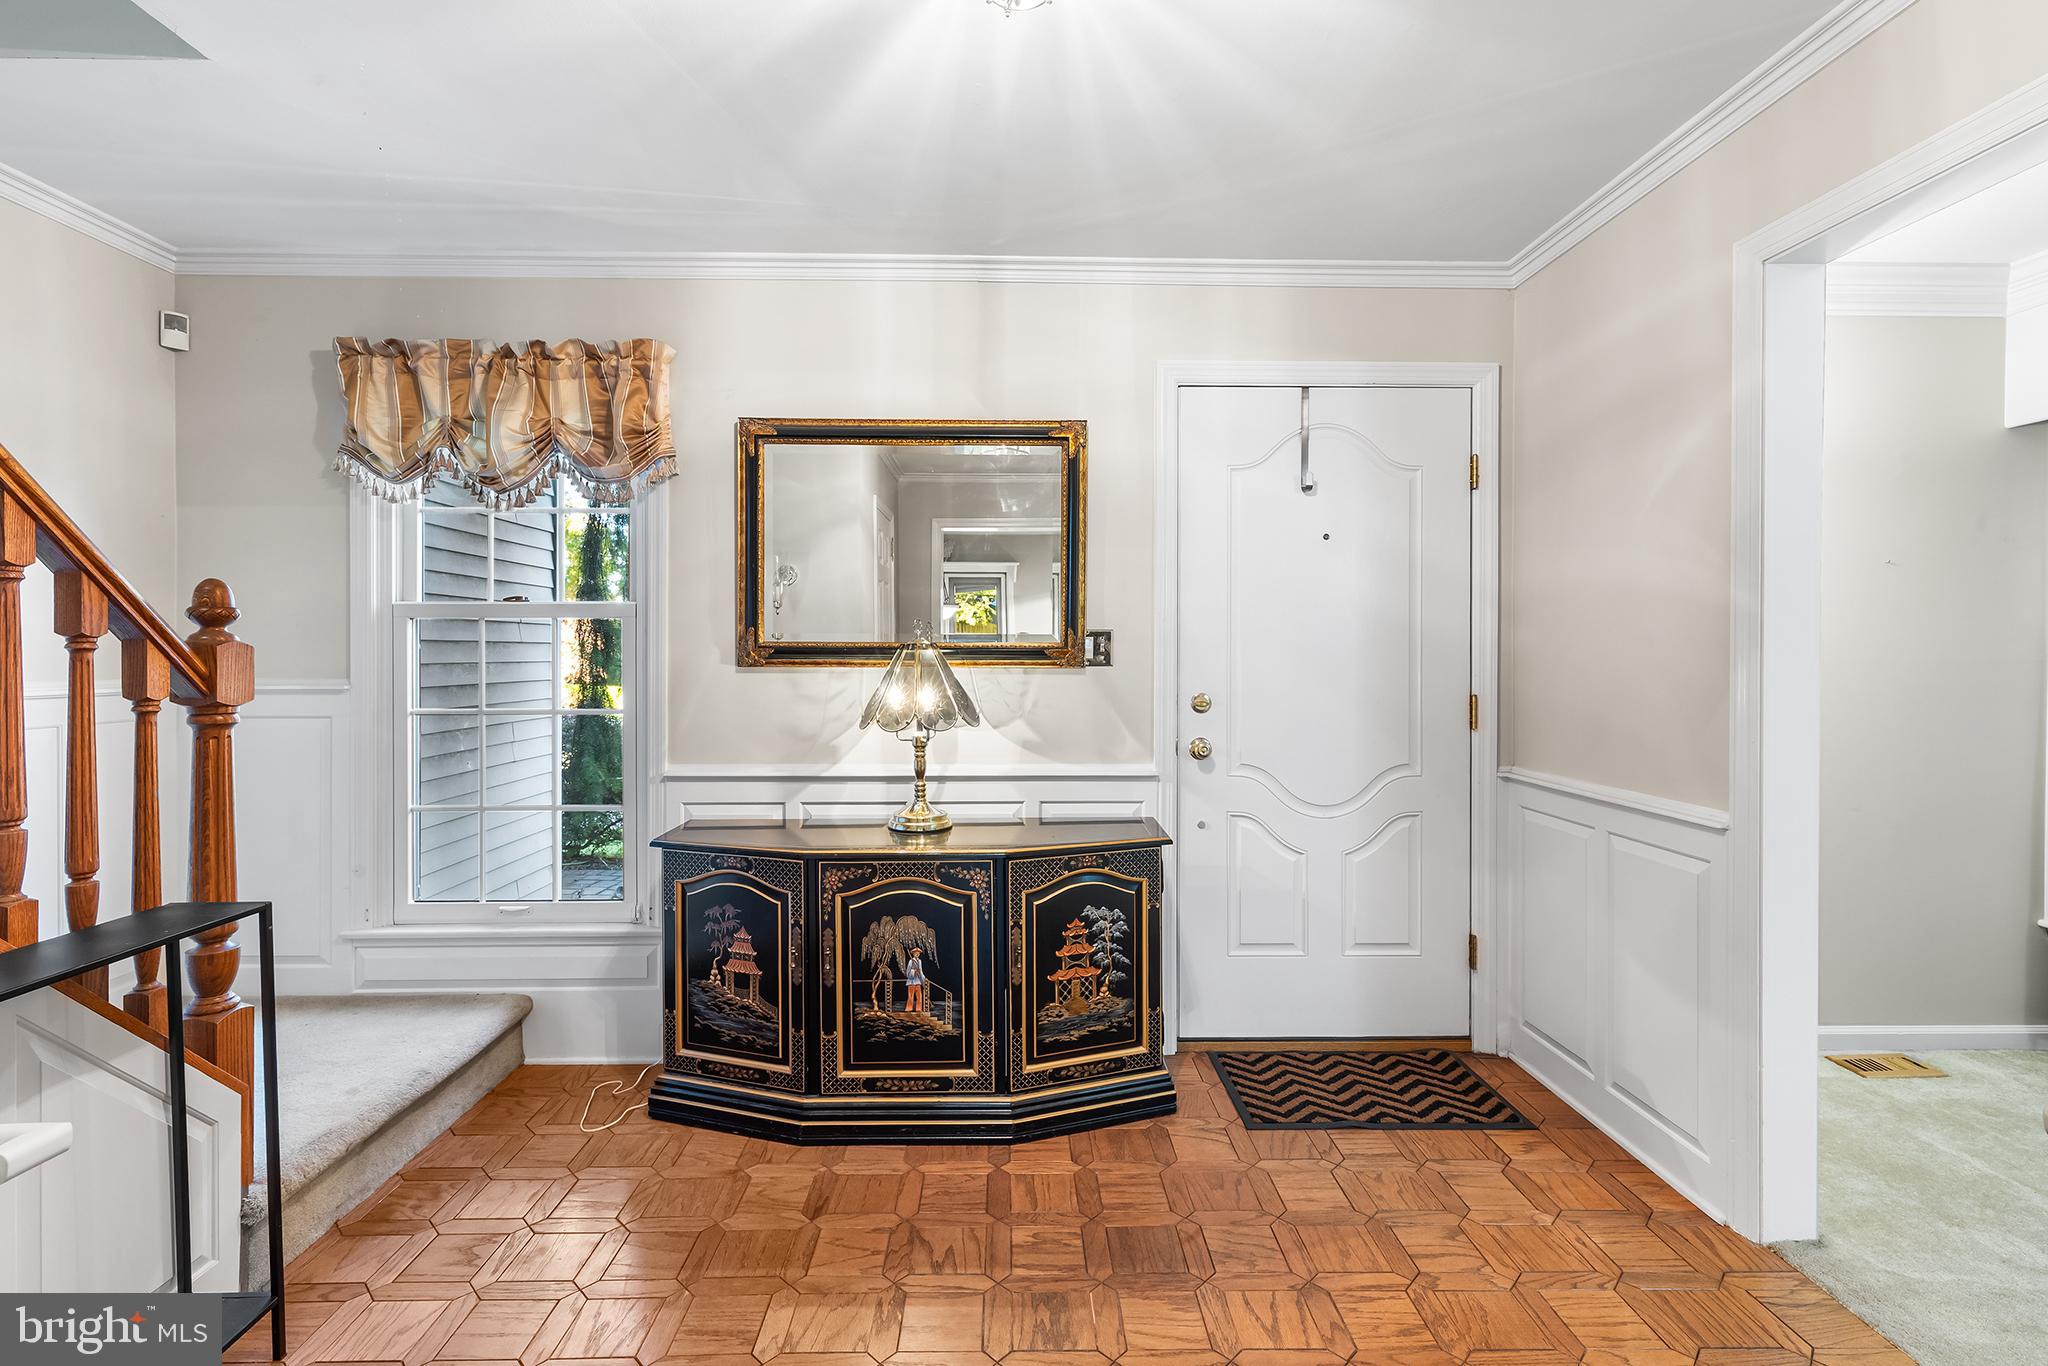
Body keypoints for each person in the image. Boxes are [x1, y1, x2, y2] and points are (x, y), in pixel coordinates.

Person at [904, 946, 927, 1015]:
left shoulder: (920, 961)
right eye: (916, 953)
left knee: (919, 996)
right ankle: (909, 1008)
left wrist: (923, 978)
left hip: (918, 981)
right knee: (910, 996)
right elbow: (907, 972)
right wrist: (913, 971)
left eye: (918, 953)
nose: (917, 954)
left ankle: (918, 1009)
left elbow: (921, 971)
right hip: (911, 982)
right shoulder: (911, 961)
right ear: (913, 954)